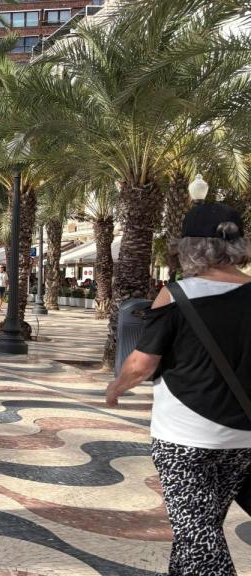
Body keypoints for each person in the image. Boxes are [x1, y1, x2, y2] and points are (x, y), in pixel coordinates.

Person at [107, 202, 251, 576]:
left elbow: (142, 363)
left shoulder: (178, 295)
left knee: (197, 534)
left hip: (184, 436)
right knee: (199, 529)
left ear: (190, 247)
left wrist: (116, 387)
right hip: (243, 438)